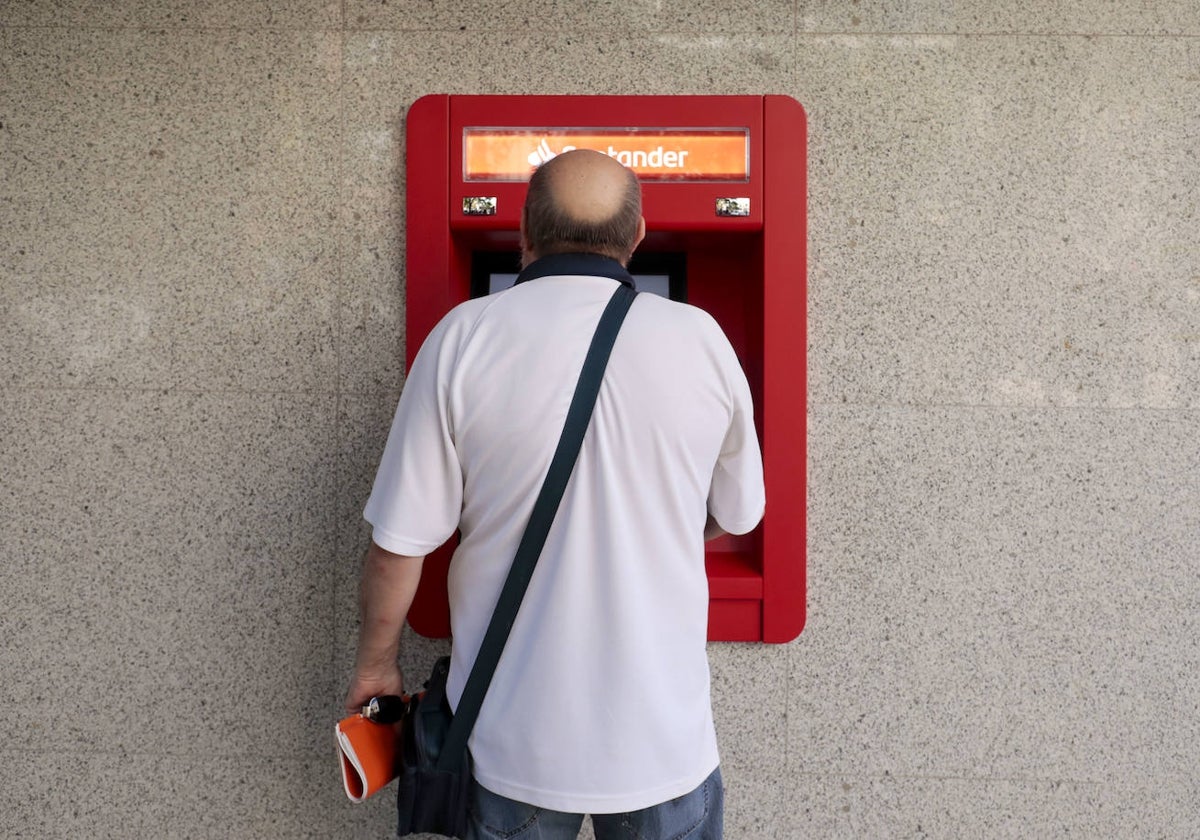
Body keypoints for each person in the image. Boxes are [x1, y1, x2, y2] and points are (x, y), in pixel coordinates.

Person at [345, 149, 764, 839]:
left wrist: (374, 668)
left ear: (523, 233)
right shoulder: (702, 339)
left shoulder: (463, 337)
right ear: (636, 237)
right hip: (664, 743)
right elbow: (737, 513)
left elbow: (398, 547)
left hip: (510, 745)